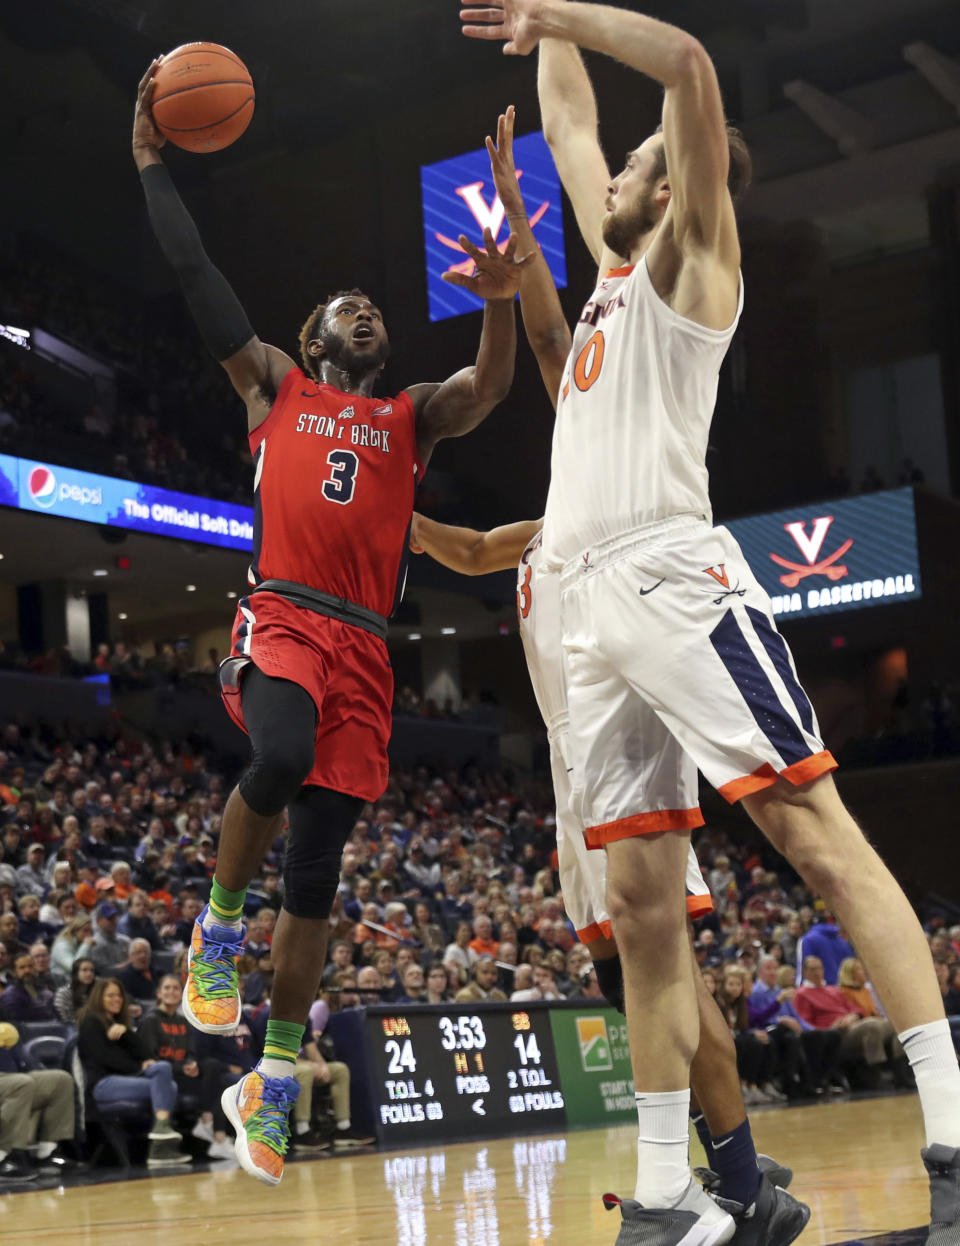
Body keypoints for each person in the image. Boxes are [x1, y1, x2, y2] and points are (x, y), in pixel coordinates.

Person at [463, 4, 960, 1242]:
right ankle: (673, 1199)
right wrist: (544, 27)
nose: (613, 169)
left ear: (674, 183)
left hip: (677, 580)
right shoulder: (610, 279)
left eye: (639, 163)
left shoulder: (694, 268)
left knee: (817, 835)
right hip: (587, 611)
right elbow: (571, 122)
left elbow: (686, 65)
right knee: (640, 910)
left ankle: (953, 1133)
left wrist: (564, 16)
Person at [132, 64, 529, 1188]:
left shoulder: (410, 416)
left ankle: (272, 1079)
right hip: (285, 615)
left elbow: (493, 387)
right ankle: (215, 931)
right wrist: (153, 165)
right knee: (278, 752)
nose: (369, 312)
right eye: (348, 308)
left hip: (365, 643)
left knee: (315, 877)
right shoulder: (272, 389)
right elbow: (195, 271)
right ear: (312, 341)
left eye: (380, 309)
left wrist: (500, 292)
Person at [410, 105, 801, 1241]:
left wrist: (530, 243)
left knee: (665, 976)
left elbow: (542, 344)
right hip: (571, 782)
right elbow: (480, 549)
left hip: (626, 751)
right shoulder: (544, 531)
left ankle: (733, 1181)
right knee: (632, 988)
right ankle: (727, 1181)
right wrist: (403, 521)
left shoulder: (603, 516)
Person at [77, 978, 189, 1167]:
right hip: (103, 1085)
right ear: (98, 998)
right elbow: (104, 1058)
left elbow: (145, 1053)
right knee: (167, 1084)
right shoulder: (90, 1022)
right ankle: (160, 1148)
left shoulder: (118, 1024)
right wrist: (137, 1068)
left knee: (165, 1074)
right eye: (110, 995)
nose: (117, 999)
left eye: (119, 995)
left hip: (125, 1079)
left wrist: (127, 1032)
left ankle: (160, 1135)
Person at [138, 975, 235, 1160]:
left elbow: (191, 1051)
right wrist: (182, 1067)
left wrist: (192, 1064)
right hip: (165, 1078)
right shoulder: (150, 1020)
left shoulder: (183, 1022)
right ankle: (218, 1137)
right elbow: (151, 1057)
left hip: (183, 1073)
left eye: (176, 988)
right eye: (167, 988)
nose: (171, 992)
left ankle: (208, 1122)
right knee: (216, 1082)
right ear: (159, 993)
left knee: (214, 1069)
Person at [0, 1021, 76, 1181]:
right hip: (13, 1083)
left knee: (60, 1079)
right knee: (20, 1083)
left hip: (12, 1077)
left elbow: (23, 1063)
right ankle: (7, 1155)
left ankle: (47, 1153)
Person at [53, 957, 96, 1026]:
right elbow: (62, 1019)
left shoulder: (96, 992)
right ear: (76, 973)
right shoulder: (63, 993)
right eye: (84, 970)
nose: (89, 974)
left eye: (92, 970)